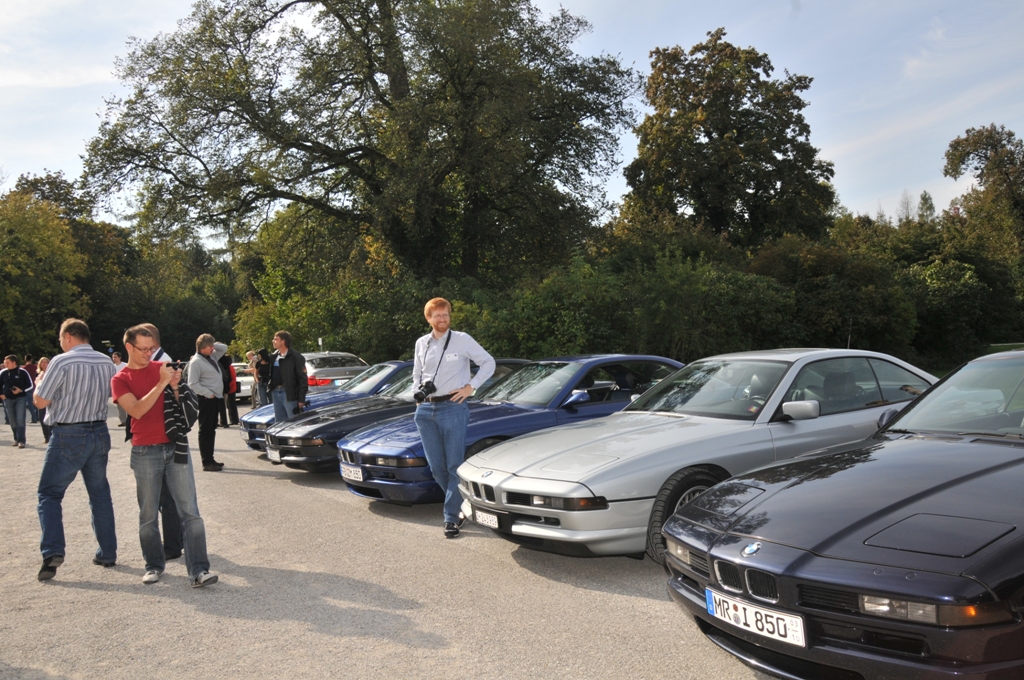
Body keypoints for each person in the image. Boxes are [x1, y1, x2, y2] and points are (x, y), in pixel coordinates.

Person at [111, 324, 218, 587]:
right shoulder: (120, 378)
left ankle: (199, 570)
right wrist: (161, 383)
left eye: (152, 349)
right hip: (145, 450)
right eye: (143, 349)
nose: (149, 354)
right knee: (148, 514)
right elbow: (137, 410)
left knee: (190, 512)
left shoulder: (163, 369)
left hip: (175, 446)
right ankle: (153, 566)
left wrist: (176, 387)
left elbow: (183, 412)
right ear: (128, 347)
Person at [33, 319, 117, 581]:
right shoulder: (106, 361)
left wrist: (39, 383)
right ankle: (107, 552)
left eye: (60, 337)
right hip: (99, 430)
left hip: (68, 432)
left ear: (69, 336)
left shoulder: (61, 361)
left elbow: (41, 401)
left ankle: (52, 551)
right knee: (99, 494)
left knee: (49, 493)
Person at [411, 298, 494, 539]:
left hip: (453, 407)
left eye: (445, 314)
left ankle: (451, 517)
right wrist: (417, 396)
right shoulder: (421, 343)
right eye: (437, 315)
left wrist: (471, 387)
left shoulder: (462, 339)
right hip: (425, 409)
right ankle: (462, 503)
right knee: (437, 467)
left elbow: (488, 362)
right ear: (429, 318)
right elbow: (417, 373)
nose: (442, 319)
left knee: (453, 465)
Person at [187, 334, 228, 471]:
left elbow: (224, 348)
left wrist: (212, 343)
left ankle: (211, 458)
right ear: (201, 348)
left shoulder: (212, 356)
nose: (212, 348)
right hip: (206, 399)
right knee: (205, 430)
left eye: (212, 346)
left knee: (211, 430)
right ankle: (206, 462)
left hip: (215, 398)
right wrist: (208, 394)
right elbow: (192, 383)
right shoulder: (196, 362)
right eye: (209, 346)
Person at [268, 331, 307, 424]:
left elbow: (302, 379)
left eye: (276, 339)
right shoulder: (273, 356)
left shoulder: (296, 357)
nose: (273, 341)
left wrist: (301, 399)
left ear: (283, 341)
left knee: (294, 422)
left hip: (289, 393)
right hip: (275, 392)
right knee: (279, 424)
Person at [1, 354, 34, 448]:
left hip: (20, 398)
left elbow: (30, 385)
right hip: (8, 399)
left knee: (20, 419)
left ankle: (21, 440)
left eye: (7, 363)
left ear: (14, 362)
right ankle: (16, 438)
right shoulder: (3, 373)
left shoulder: (22, 372)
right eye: (5, 363)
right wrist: (1, 394)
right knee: (12, 420)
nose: (5, 364)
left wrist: (21, 390)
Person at [219, 354, 239, 426]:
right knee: (231, 405)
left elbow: (231, 378)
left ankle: (232, 420)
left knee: (230, 405)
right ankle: (234, 420)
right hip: (231, 387)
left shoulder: (228, 367)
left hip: (229, 388)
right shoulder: (230, 367)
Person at [35, 357, 51, 443]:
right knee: (42, 418)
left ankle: (51, 435)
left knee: (50, 417)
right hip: (40, 397)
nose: (44, 364)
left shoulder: (51, 373)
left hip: (49, 398)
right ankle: (46, 436)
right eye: (42, 362)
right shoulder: (38, 374)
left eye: (46, 362)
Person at [23, 354, 39, 423]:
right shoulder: (35, 367)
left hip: (28, 386)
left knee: (30, 403)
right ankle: (37, 416)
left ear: (25, 359)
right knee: (36, 402)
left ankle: (34, 418)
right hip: (35, 385)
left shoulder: (24, 368)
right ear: (31, 359)